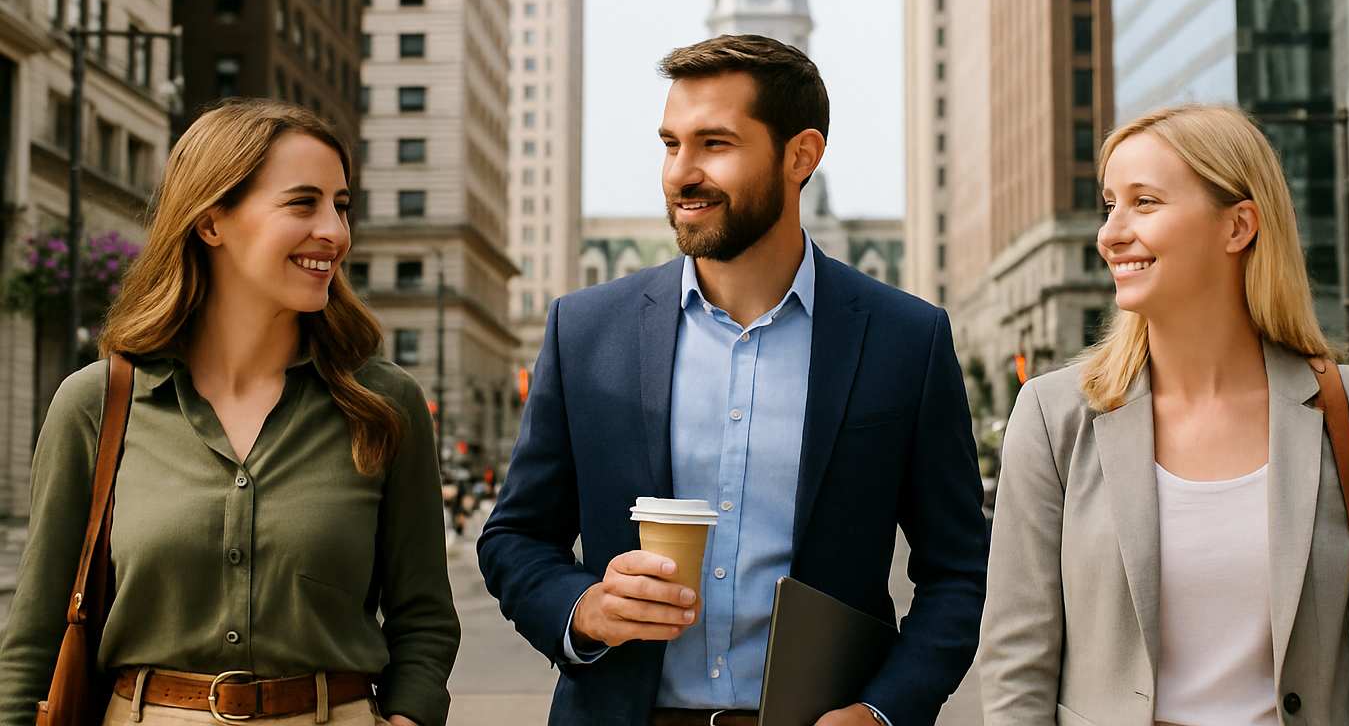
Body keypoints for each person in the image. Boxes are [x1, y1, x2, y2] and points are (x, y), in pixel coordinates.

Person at [478, 36, 988, 725]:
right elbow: (514, 538)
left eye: (714, 144)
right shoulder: (586, 331)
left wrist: (881, 711)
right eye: (670, 144)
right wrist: (584, 609)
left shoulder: (907, 340)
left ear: (799, 156)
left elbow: (958, 571)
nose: (681, 173)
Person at [977, 104, 1349, 725]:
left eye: (1145, 202)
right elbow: (1017, 661)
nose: (1110, 233)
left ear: (1238, 227)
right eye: (1110, 204)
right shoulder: (1051, 417)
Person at [0, 100, 459, 726]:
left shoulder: (383, 402)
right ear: (212, 222)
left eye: (341, 205)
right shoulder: (98, 404)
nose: (335, 231)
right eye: (303, 203)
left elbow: (425, 615)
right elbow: (36, 634)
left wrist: (407, 718)